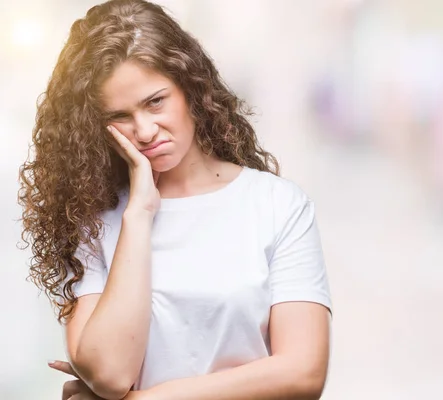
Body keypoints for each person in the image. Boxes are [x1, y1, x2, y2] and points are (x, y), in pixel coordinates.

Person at [18, 1, 332, 399]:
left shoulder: (277, 205)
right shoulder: (95, 219)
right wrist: (139, 214)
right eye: (120, 116)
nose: (145, 130)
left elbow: (302, 373)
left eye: (155, 102)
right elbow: (111, 374)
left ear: (190, 87)